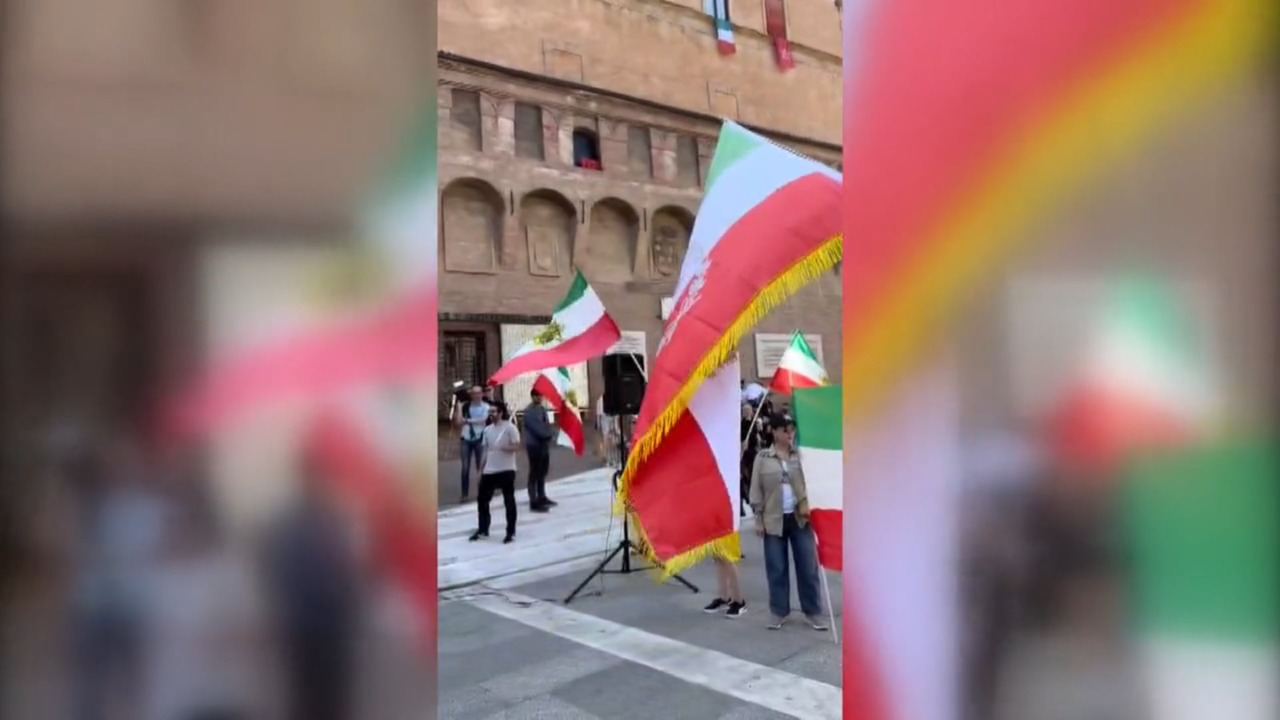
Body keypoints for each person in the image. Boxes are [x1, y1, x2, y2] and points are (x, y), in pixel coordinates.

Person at [144, 486, 264, 720]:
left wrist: (217, 638)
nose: (177, 531)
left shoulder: (228, 573)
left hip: (219, 696)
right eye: (172, 523)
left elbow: (253, 633)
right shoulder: (161, 578)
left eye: (185, 523)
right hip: (173, 699)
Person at [265, 464, 361, 720]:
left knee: (331, 693)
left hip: (330, 627)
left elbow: (348, 572)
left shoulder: (334, 522)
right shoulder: (289, 527)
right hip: (304, 627)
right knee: (308, 692)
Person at [749, 412, 827, 631]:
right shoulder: (763, 458)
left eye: (792, 429)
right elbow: (756, 490)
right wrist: (758, 518)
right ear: (774, 432)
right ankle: (779, 611)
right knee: (776, 567)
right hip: (773, 518)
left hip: (799, 518)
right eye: (785, 430)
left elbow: (814, 481)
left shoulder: (800, 456)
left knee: (807, 566)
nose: (789, 434)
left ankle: (812, 611)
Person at [471, 403, 520, 543]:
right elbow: (485, 451)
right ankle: (483, 529)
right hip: (490, 470)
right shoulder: (487, 430)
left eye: (493, 411)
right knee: (482, 500)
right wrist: (480, 470)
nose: (491, 414)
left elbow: (517, 445)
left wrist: (506, 447)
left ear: (500, 413)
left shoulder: (510, 428)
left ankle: (510, 532)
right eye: (490, 411)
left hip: (506, 469)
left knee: (509, 500)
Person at [455, 385, 491, 501]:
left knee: (480, 466)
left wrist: (467, 421)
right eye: (474, 393)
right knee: (465, 467)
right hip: (466, 438)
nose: (476, 395)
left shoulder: (486, 406)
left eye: (478, 393)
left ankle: (482, 492)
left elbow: (483, 420)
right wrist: (459, 408)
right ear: (471, 395)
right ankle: (464, 494)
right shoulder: (466, 406)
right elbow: (458, 422)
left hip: (479, 438)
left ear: (482, 394)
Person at [522, 389, 556, 512]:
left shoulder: (542, 409)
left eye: (541, 396)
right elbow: (537, 428)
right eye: (537, 396)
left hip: (543, 445)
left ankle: (542, 496)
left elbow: (547, 425)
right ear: (532, 397)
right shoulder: (530, 411)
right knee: (534, 472)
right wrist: (548, 435)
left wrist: (550, 433)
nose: (540, 398)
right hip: (534, 445)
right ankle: (533, 500)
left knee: (542, 471)